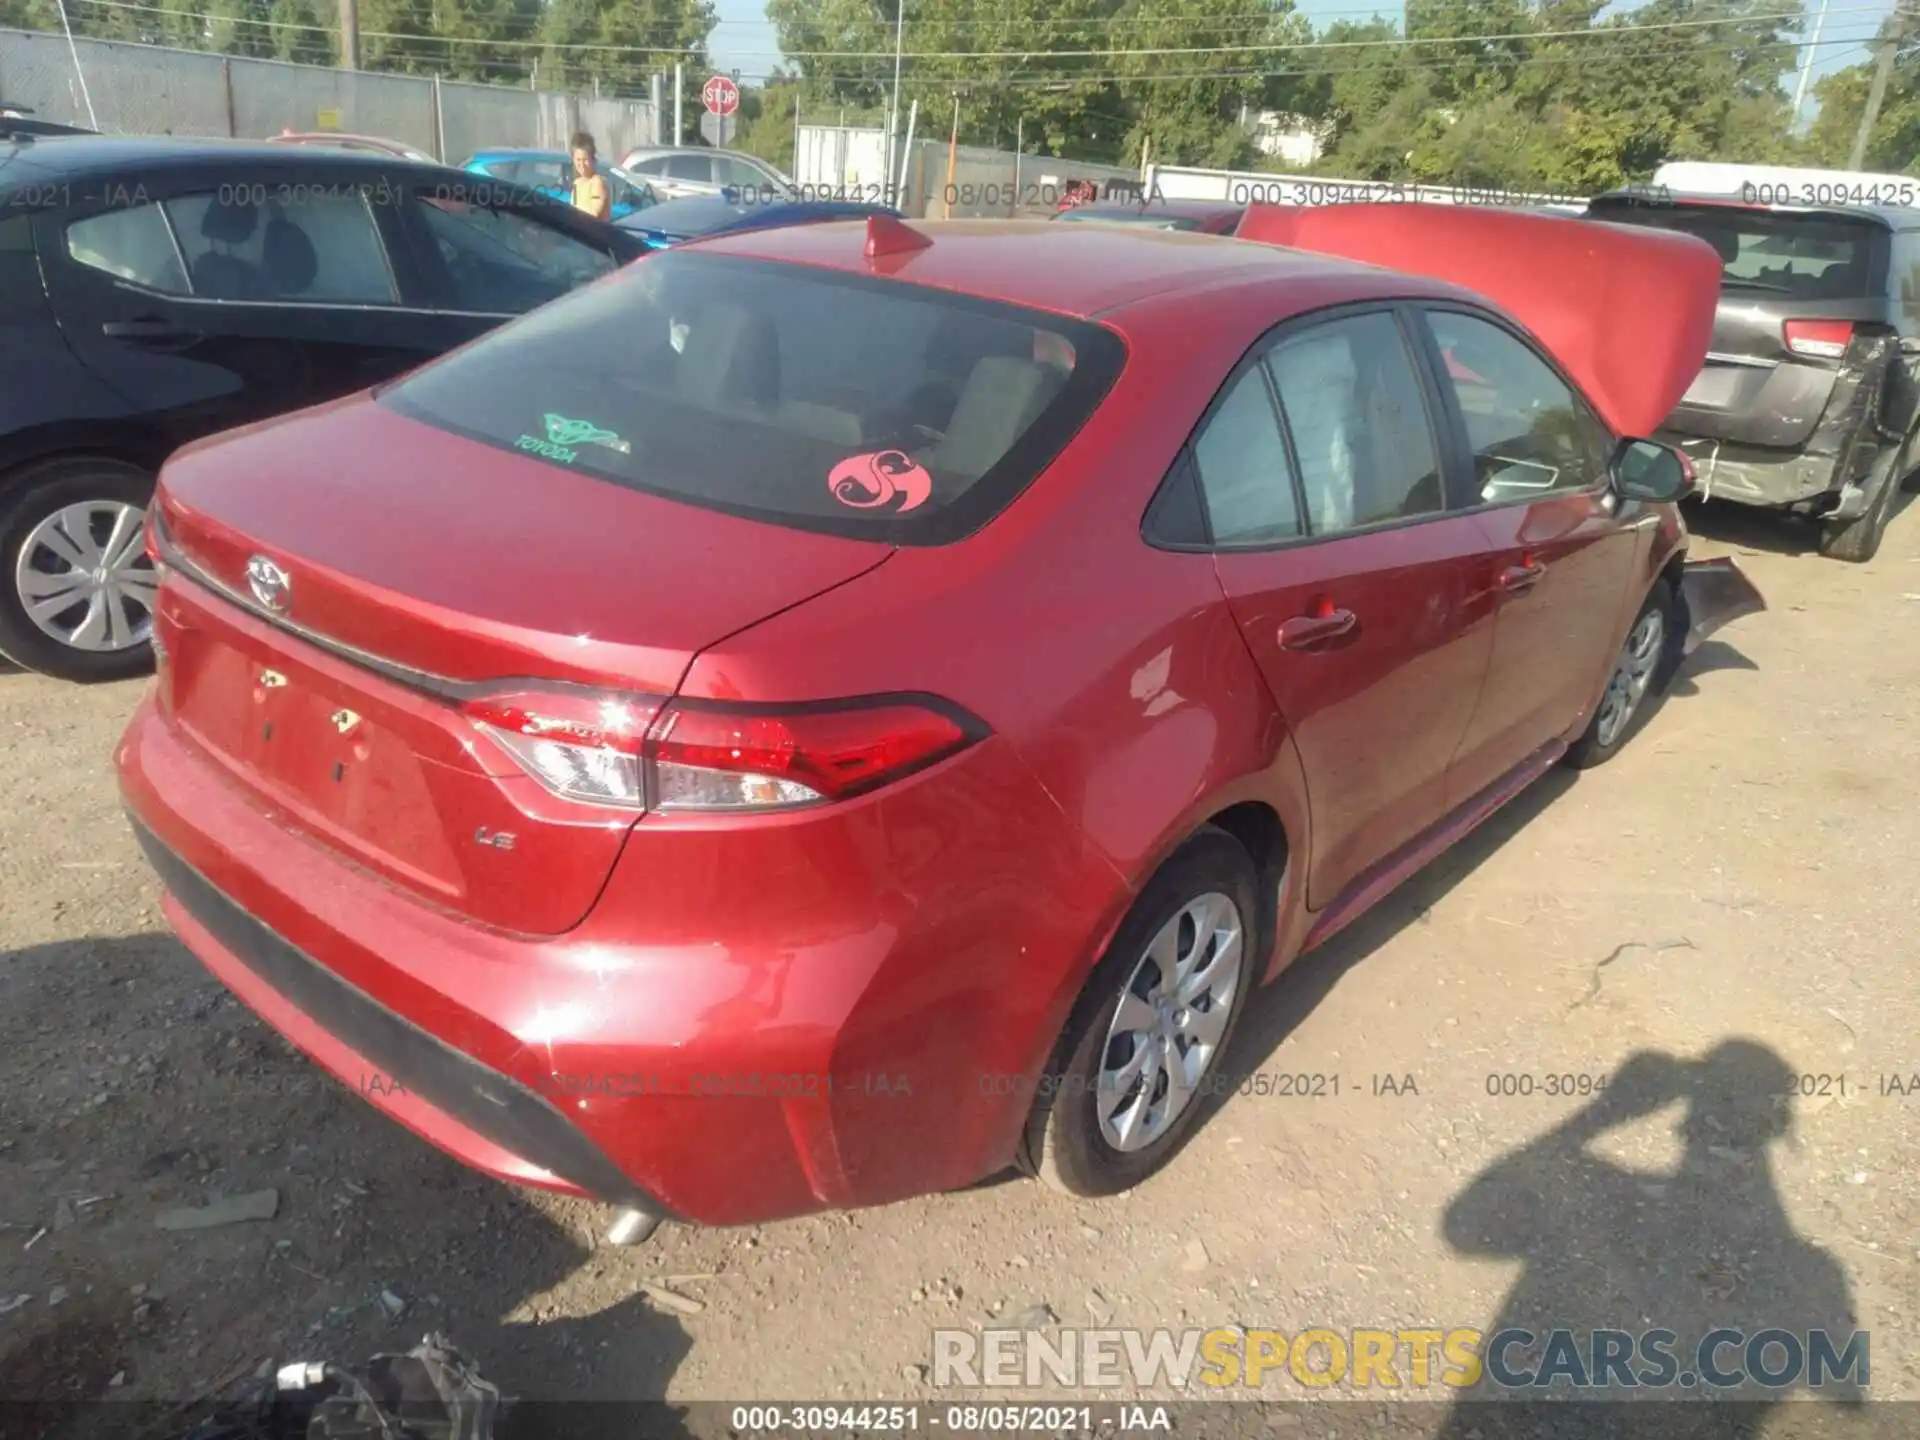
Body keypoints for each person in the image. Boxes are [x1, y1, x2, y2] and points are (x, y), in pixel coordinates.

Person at [569, 131, 610, 221]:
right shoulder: (577, 183)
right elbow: (572, 208)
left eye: (585, 160)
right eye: (578, 160)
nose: (582, 164)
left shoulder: (597, 182)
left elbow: (594, 213)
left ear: (593, 159)